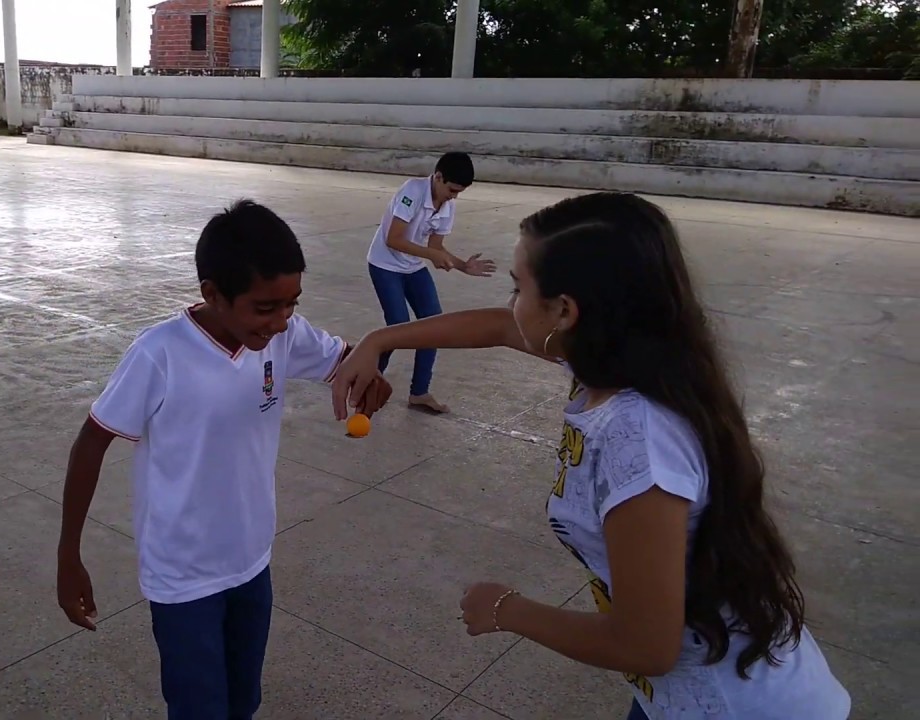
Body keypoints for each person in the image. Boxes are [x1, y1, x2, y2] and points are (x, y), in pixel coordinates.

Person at [332, 192, 850, 720]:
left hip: (738, 705)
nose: (512, 304)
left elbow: (646, 645)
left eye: (518, 287)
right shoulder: (619, 361)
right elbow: (497, 327)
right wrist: (379, 339)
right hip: (676, 693)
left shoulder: (637, 439)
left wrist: (506, 609)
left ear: (565, 311)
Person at [55, 199, 392, 720]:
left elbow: (348, 358)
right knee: (198, 709)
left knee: (243, 701)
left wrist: (368, 372)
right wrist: (68, 553)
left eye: (291, 305)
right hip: (182, 575)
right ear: (211, 294)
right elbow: (90, 444)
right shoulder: (159, 354)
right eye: (265, 308)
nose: (281, 322)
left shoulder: (283, 336)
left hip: (251, 559)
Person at [365, 151, 497, 414]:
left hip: (413, 267)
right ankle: (366, 382)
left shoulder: (448, 206)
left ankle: (419, 392)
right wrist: (431, 254)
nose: (454, 196)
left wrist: (462, 265)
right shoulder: (412, 191)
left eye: (459, 192)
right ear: (437, 177)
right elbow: (394, 239)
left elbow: (436, 248)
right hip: (385, 265)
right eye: (451, 189)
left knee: (434, 323)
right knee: (397, 328)